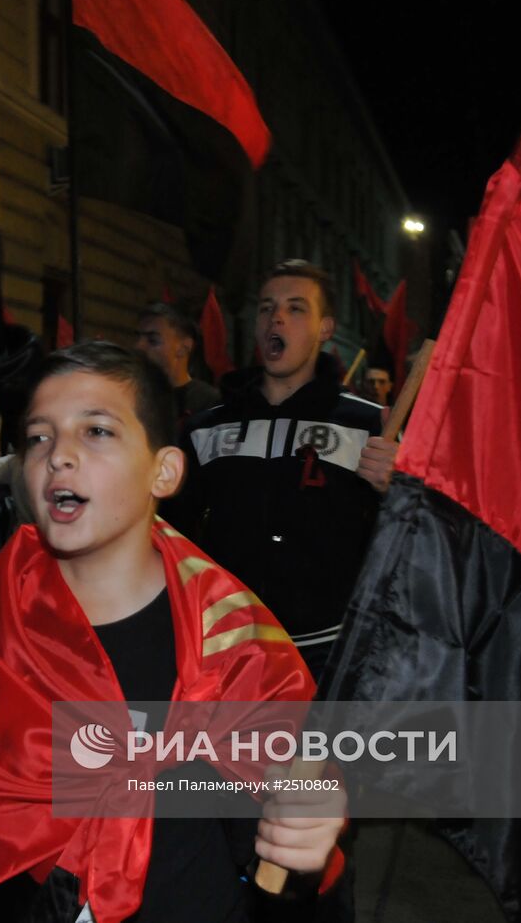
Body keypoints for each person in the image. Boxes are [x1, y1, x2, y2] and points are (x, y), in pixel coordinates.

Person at [0, 341, 346, 922]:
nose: (58, 456)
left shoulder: (232, 641)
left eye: (96, 431)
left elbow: (277, 859)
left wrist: (301, 845)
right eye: (39, 436)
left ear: (163, 472)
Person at [163, 260, 398, 680]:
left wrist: (397, 491)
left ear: (325, 329)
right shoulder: (205, 428)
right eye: (267, 308)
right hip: (227, 649)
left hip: (329, 652)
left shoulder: (370, 425)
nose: (277, 317)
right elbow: (166, 536)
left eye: (296, 308)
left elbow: (414, 546)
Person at [134, 302, 221, 427]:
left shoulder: (208, 402)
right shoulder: (132, 395)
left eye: (152, 340)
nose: (139, 347)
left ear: (184, 348)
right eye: (138, 338)